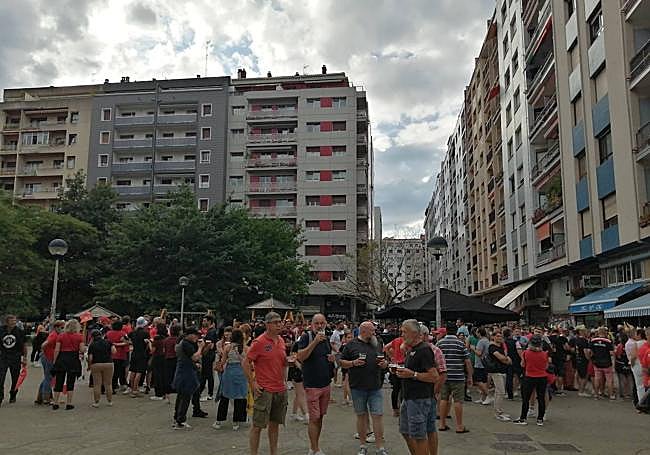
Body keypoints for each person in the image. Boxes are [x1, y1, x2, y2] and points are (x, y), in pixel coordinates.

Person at [244, 312, 291, 455]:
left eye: (280, 322)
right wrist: (252, 384)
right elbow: (246, 362)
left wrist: (289, 362)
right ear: (267, 325)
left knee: (275, 425)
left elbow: (282, 362)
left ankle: (273, 452)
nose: (279, 325)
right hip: (265, 390)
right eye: (275, 322)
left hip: (280, 389)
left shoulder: (281, 341)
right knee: (257, 426)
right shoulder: (259, 342)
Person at [340, 321, 388, 455]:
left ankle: (380, 447)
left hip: (375, 386)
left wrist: (384, 364)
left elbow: (385, 360)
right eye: (372, 330)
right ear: (363, 331)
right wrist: (353, 363)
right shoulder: (351, 345)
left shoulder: (377, 343)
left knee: (377, 415)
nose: (374, 333)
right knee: (361, 416)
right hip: (358, 387)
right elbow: (342, 362)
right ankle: (363, 445)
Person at [397, 320, 439, 455]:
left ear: (414, 333)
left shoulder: (423, 349)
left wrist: (413, 374)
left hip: (419, 399)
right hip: (412, 398)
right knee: (408, 431)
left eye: (404, 332)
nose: (402, 335)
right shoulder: (413, 349)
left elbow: (434, 376)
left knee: (419, 435)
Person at [296, 314, 337, 455]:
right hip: (312, 384)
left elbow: (326, 356)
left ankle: (315, 446)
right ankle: (314, 449)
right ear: (311, 324)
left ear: (325, 323)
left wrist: (331, 359)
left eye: (322, 323)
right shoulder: (306, 337)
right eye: (317, 323)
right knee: (314, 418)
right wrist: (314, 342)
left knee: (320, 417)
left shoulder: (326, 339)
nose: (320, 326)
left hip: (325, 383)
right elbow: (300, 357)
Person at [436, 321, 472, 433]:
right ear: (456, 331)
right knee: (458, 401)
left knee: (443, 399)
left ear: (446, 330)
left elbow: (435, 360)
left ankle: (442, 424)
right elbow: (467, 361)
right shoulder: (460, 344)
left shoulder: (440, 343)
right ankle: (459, 426)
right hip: (458, 376)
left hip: (444, 376)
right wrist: (470, 376)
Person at [214, 328, 249, 431]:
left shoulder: (228, 347)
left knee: (225, 396)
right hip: (241, 373)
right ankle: (237, 421)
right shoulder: (246, 348)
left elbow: (223, 361)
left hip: (229, 372)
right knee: (240, 397)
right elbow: (248, 362)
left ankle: (219, 421)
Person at [172, 327, 205, 429]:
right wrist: (200, 348)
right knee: (185, 396)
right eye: (195, 335)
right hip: (186, 373)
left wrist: (195, 365)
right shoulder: (186, 344)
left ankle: (177, 416)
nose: (197, 337)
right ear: (190, 335)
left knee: (181, 396)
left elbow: (187, 359)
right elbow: (195, 357)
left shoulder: (181, 342)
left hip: (182, 371)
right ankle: (181, 420)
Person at [513, 335, 549, 426]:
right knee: (541, 398)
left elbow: (522, 364)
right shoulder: (544, 354)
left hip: (529, 376)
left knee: (526, 398)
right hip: (542, 377)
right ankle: (540, 419)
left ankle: (523, 418)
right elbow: (546, 366)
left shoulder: (526, 353)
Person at [51, 319, 85, 410]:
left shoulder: (61, 336)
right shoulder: (79, 336)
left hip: (62, 358)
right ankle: (69, 403)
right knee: (71, 382)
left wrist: (55, 361)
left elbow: (57, 350)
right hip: (73, 359)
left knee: (59, 381)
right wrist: (84, 348)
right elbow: (82, 350)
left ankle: (55, 402)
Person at [0, 315, 27, 406]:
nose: (14, 323)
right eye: (12, 321)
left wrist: (25, 358)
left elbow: (24, 345)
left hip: (15, 357)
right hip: (3, 357)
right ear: (7, 322)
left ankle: (13, 394)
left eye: (15, 321)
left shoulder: (20, 332)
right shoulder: (1, 330)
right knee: (1, 377)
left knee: (15, 377)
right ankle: (0, 395)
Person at [485, 330, 511, 421]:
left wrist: (506, 359)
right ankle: (498, 413)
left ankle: (499, 411)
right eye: (497, 336)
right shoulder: (492, 347)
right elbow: (501, 358)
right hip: (496, 371)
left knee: (499, 392)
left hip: (503, 371)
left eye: (501, 336)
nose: (499, 338)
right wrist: (506, 359)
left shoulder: (501, 346)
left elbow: (507, 358)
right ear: (493, 337)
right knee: (501, 392)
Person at [37, 320, 64, 405]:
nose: (63, 329)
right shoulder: (54, 335)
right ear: (56, 327)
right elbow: (44, 344)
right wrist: (44, 352)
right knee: (49, 378)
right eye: (61, 328)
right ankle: (46, 398)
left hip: (47, 357)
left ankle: (40, 397)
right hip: (48, 358)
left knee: (47, 377)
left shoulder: (54, 334)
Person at [87, 329, 116, 408]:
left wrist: (89, 366)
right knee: (108, 384)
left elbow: (90, 358)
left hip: (96, 364)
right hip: (108, 363)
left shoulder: (92, 345)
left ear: (92, 337)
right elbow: (114, 351)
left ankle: (96, 402)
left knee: (97, 384)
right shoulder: (108, 342)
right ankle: (110, 401)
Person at [586, 327, 615, 400]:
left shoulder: (593, 340)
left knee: (597, 379)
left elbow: (589, 351)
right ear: (605, 333)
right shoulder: (608, 341)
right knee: (609, 379)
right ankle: (611, 395)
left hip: (597, 363)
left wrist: (591, 358)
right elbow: (611, 353)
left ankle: (596, 394)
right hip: (607, 363)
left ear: (598, 332)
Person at [384, 330, 406, 417]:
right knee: (403, 388)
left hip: (395, 365)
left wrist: (391, 357)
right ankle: (403, 409)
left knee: (395, 389)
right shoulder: (407, 341)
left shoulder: (396, 340)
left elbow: (386, 347)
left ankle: (395, 410)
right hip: (404, 365)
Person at [128, 317, 151, 398]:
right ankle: (135, 389)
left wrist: (131, 343)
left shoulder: (132, 333)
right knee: (139, 372)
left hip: (134, 353)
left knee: (133, 371)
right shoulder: (145, 333)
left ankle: (131, 388)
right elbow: (147, 344)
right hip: (142, 354)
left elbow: (126, 338)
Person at [199, 315, 218, 401]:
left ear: (209, 321)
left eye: (205, 321)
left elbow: (210, 344)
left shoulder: (211, 332)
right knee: (207, 374)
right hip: (209, 355)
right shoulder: (210, 331)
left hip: (208, 355)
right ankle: (205, 392)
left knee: (207, 374)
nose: (203, 322)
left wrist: (203, 352)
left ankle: (208, 393)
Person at [470, 327, 490, 404]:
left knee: (478, 381)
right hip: (485, 364)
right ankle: (483, 398)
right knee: (484, 381)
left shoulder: (481, 341)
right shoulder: (487, 340)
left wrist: (473, 348)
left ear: (479, 333)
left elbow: (479, 353)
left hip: (479, 364)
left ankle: (488, 395)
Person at [149, 323, 169, 401]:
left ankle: (158, 394)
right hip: (165, 358)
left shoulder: (157, 339)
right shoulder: (166, 338)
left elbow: (152, 350)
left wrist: (150, 343)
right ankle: (164, 393)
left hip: (157, 358)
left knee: (157, 376)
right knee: (164, 375)